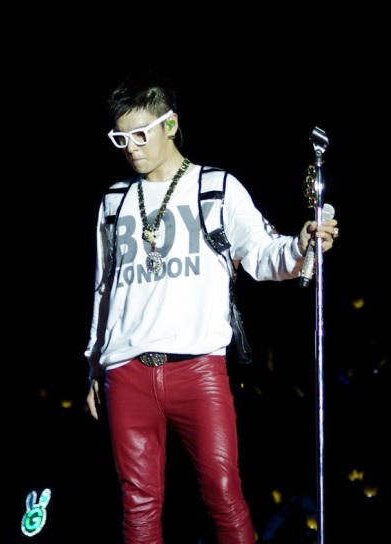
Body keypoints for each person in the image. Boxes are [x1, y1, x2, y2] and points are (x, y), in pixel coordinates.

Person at [84, 71, 339, 544]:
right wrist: (94, 368)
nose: (131, 148)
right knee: (138, 506)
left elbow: (262, 255)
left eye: (140, 134)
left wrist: (301, 246)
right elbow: (105, 288)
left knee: (223, 494)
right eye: (121, 138)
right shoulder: (114, 202)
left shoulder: (217, 187)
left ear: (170, 124)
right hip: (126, 371)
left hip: (198, 367)